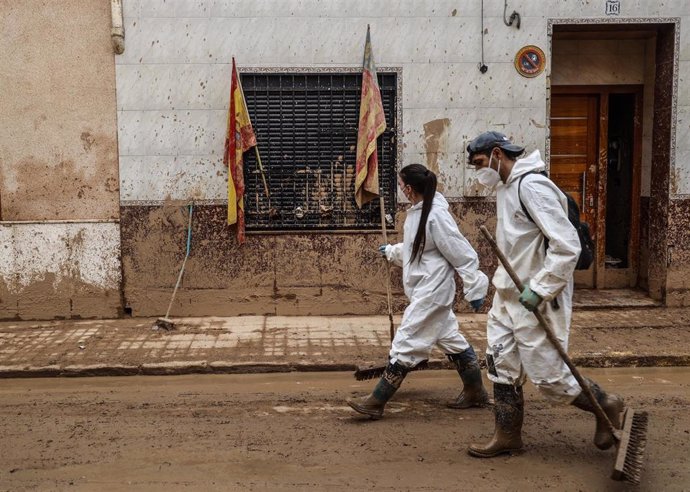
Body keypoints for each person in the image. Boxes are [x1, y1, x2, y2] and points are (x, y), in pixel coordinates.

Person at [464, 131, 624, 457]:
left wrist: (539, 289)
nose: (479, 171)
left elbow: (567, 246)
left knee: (550, 379)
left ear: (497, 154)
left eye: (480, 163)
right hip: (508, 294)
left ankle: (605, 404)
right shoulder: (505, 188)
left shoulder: (531, 187)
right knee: (501, 366)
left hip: (538, 297)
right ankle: (507, 435)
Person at [347, 163, 490, 419]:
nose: (401, 190)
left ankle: (376, 401)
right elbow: (419, 249)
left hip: (433, 292)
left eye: (401, 186)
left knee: (406, 339)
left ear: (409, 189)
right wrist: (393, 252)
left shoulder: (436, 216)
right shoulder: (419, 212)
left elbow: (462, 254)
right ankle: (475, 390)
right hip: (426, 287)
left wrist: (475, 286)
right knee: (450, 339)